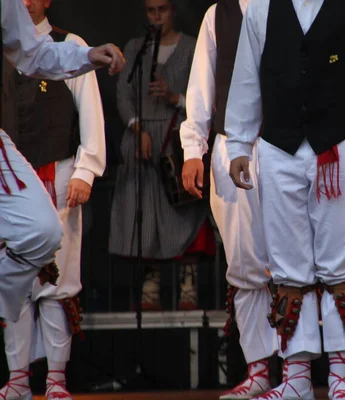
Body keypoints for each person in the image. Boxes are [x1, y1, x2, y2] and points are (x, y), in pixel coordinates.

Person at [225, 0, 345, 396]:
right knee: (287, 265)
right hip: (278, 147)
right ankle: (297, 379)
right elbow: (246, 79)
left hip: (338, 147)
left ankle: (339, 376)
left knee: (340, 261)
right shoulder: (261, 9)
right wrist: (237, 143)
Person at [0, 1, 106, 398]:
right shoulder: (7, 47)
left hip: (58, 173)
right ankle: (18, 378)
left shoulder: (67, 43)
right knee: (16, 283)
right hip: (12, 182)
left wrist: (86, 171)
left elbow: (91, 115)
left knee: (58, 282)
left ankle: (57, 379)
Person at [180, 0, 278, 397]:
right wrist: (192, 150)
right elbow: (201, 84)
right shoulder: (218, 14)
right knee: (243, 259)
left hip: (285, 145)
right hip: (229, 146)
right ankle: (258, 369)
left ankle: (298, 370)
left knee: (296, 260)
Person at [110, 0, 210, 310]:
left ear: (173, 11)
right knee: (145, 211)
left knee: (182, 210)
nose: (157, 16)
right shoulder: (136, 47)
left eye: (162, 10)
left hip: (177, 138)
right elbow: (123, 95)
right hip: (142, 141)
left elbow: (203, 94)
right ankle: (150, 282)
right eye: (151, 10)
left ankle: (188, 284)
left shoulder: (192, 48)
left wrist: (173, 96)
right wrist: (137, 127)